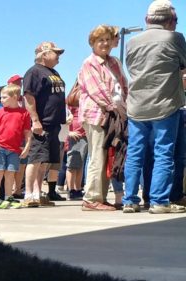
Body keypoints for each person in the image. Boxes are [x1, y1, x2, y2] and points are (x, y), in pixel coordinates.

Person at [122, 2, 186, 214]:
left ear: (147, 19)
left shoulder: (132, 42)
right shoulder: (175, 38)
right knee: (163, 153)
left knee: (134, 153)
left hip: (137, 106)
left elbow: (131, 68)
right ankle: (159, 201)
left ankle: (130, 200)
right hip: (165, 104)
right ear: (169, 21)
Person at [78, 25, 127, 211]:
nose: (105, 43)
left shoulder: (114, 62)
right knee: (98, 155)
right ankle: (91, 198)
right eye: (100, 40)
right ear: (93, 43)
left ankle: (101, 197)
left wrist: (125, 107)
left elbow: (123, 86)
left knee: (108, 156)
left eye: (107, 39)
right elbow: (97, 90)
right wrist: (115, 108)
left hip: (115, 114)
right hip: (98, 115)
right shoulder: (89, 63)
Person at [23, 42, 68, 207]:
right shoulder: (34, 72)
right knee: (35, 159)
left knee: (45, 160)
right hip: (42, 123)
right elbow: (29, 96)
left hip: (55, 123)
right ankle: (29, 194)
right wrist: (35, 120)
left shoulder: (53, 72)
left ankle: (38, 192)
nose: (58, 57)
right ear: (44, 54)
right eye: (55, 53)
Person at [0, 84, 32, 208]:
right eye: (1, 97)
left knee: (10, 173)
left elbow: (27, 132)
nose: (1, 100)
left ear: (15, 97)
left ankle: (8, 197)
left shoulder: (24, 113)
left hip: (14, 149)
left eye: (4, 97)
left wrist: (27, 147)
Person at [64, 82, 88, 203]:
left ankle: (78, 188)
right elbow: (64, 119)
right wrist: (69, 133)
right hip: (75, 134)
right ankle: (71, 189)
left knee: (80, 165)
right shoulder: (70, 100)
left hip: (84, 134)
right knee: (72, 164)